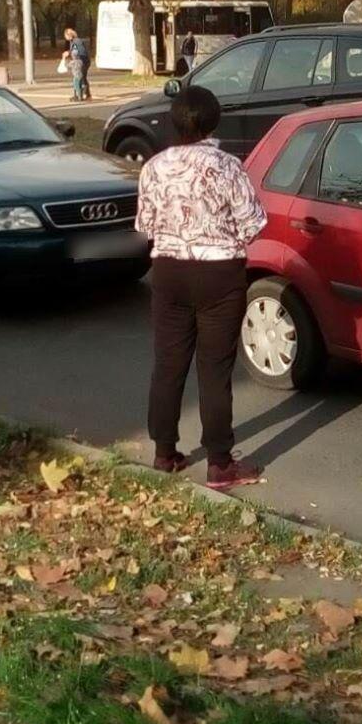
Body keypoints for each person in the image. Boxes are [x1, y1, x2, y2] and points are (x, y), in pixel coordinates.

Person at [135, 84, 265, 492]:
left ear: (174, 121)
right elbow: (254, 223)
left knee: (168, 364)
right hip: (219, 276)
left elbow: (145, 226)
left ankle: (164, 452)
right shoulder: (228, 166)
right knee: (214, 370)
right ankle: (220, 464)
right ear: (214, 120)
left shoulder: (154, 167)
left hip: (169, 272)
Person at [63, 26, 92, 101]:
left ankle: (82, 95)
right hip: (80, 62)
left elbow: (81, 52)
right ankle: (85, 95)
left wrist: (69, 53)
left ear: (68, 35)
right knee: (81, 78)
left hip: (83, 62)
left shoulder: (77, 41)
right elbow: (74, 51)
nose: (65, 37)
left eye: (65, 35)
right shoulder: (73, 42)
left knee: (80, 78)